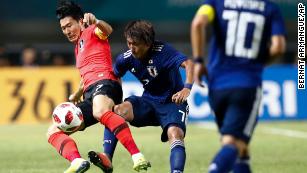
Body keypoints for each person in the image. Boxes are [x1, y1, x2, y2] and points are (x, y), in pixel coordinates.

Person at [46, 1, 150, 173]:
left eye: (69, 25)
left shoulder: (91, 31)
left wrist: (97, 21)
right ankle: (77, 161)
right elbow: (87, 74)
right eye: (63, 28)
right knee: (53, 131)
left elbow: (107, 30)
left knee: (99, 111)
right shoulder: (78, 47)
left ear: (80, 21)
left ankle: (137, 156)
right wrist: (78, 92)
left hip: (107, 83)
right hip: (91, 93)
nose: (66, 31)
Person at [190, 0, 286, 173]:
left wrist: (198, 61)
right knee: (234, 143)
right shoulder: (270, 8)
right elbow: (278, 47)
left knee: (241, 150)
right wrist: (258, 62)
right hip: (246, 85)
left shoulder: (215, 3)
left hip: (217, 86)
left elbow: (198, 23)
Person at [95, 20, 193, 173]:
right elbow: (114, 75)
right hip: (148, 101)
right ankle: (107, 158)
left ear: (148, 44)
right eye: (129, 43)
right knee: (115, 112)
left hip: (172, 102)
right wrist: (115, 95)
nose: (131, 48)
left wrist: (187, 88)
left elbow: (189, 64)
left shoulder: (163, 51)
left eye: (135, 44)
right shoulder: (126, 59)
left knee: (175, 134)